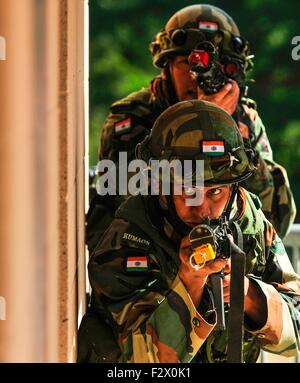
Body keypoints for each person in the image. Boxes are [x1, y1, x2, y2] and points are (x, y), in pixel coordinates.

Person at [79, 100, 300, 363]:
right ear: (161, 187)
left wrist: (248, 294)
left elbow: (296, 330)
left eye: (215, 191)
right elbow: (141, 362)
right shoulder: (130, 237)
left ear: (233, 189)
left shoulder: (246, 219)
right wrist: (189, 283)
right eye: (188, 191)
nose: (202, 207)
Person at [87, 4, 296, 254]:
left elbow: (275, 221)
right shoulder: (134, 117)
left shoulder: (243, 119)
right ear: (166, 67)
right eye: (189, 62)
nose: (197, 76)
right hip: (150, 266)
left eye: (216, 66)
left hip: (226, 262)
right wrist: (201, 126)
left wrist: (237, 142)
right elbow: (126, 202)